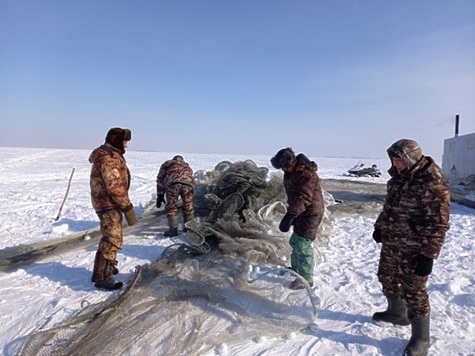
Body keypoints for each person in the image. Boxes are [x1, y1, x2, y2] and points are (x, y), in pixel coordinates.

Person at [372, 138, 450, 355]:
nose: (396, 165)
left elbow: (439, 223)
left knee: (413, 290)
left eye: (399, 161)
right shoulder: (398, 179)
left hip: (415, 247)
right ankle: (398, 313)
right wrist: (380, 226)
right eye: (393, 160)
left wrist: (428, 255)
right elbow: (389, 206)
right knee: (386, 276)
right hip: (392, 241)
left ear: (411, 158)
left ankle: (421, 338)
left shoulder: (432, 182)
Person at [89, 127, 137, 291]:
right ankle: (104, 277)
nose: (126, 145)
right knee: (113, 239)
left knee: (108, 237)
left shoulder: (110, 156)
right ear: (117, 141)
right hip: (108, 204)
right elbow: (115, 186)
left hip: (106, 203)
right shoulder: (108, 159)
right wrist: (127, 207)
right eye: (124, 141)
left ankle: (99, 272)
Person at [270, 147, 325, 290]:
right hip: (300, 211)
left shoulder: (307, 174)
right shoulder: (290, 172)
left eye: (283, 167)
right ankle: (296, 269)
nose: (282, 170)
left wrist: (291, 215)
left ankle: (306, 278)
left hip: (311, 212)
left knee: (302, 243)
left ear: (290, 162)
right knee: (295, 240)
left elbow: (303, 197)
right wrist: (293, 212)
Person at [156, 155, 195, 237]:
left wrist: (160, 195)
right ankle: (189, 229)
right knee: (188, 206)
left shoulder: (167, 163)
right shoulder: (186, 165)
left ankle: (173, 230)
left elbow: (160, 179)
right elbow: (191, 176)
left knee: (172, 207)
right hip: (188, 184)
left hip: (173, 184)